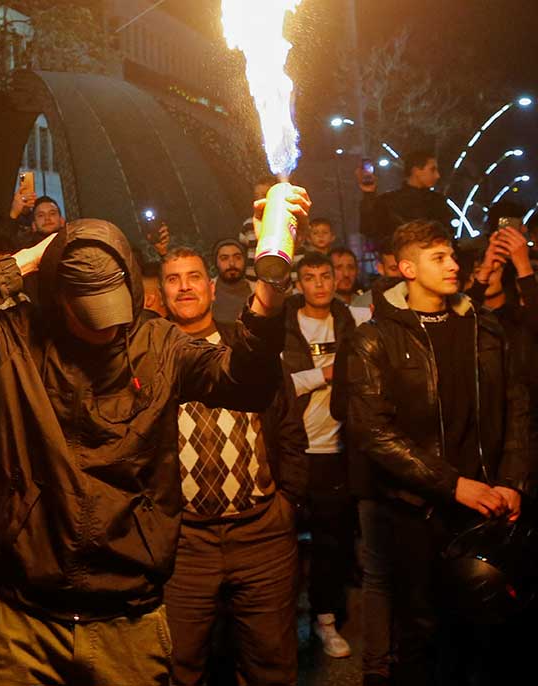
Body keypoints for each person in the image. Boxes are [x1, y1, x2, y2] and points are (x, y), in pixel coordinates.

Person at [0, 185, 311, 685]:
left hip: (129, 614)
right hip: (27, 615)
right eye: (89, 314)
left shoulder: (158, 341)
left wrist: (270, 287)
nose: (105, 329)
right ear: (58, 297)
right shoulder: (16, 338)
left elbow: (248, 383)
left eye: (113, 309)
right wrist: (30, 258)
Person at [345, 219, 531, 685]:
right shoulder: (374, 338)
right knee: (422, 632)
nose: (453, 265)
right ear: (407, 268)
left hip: (489, 505)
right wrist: (454, 485)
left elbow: (518, 407)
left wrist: (512, 481)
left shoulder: (484, 328)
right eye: (439, 257)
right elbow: (373, 432)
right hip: (417, 512)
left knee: (491, 631)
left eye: (452, 255)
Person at [159, 246, 307, 685]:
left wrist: (288, 504)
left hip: (261, 534)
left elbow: (291, 429)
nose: (184, 286)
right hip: (186, 543)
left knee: (271, 665)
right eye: (172, 278)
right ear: (161, 293)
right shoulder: (154, 354)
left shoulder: (248, 346)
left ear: (210, 286)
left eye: (192, 276)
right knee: (178, 666)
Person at [282, 252, 371, 661]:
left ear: (336, 279)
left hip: (335, 449)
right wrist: (326, 374)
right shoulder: (285, 324)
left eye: (325, 276)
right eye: (310, 277)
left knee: (331, 545)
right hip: (293, 451)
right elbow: (280, 385)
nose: (319, 284)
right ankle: (278, 626)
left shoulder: (352, 320)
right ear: (299, 283)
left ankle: (326, 621)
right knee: (281, 546)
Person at [359, 151, 451, 250]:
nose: (437, 175)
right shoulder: (388, 202)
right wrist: (368, 194)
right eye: (432, 170)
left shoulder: (438, 201)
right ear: (416, 170)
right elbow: (369, 228)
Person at [239, 176, 278, 281]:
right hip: (252, 281)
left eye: (265, 195)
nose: (260, 199)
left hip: (279, 282)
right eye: (257, 196)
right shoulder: (248, 225)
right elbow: (241, 254)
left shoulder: (283, 223)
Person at [212, 237, 253, 323]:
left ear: (245, 260)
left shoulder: (257, 292)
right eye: (224, 258)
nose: (232, 264)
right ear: (216, 263)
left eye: (237, 257)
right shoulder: (206, 292)